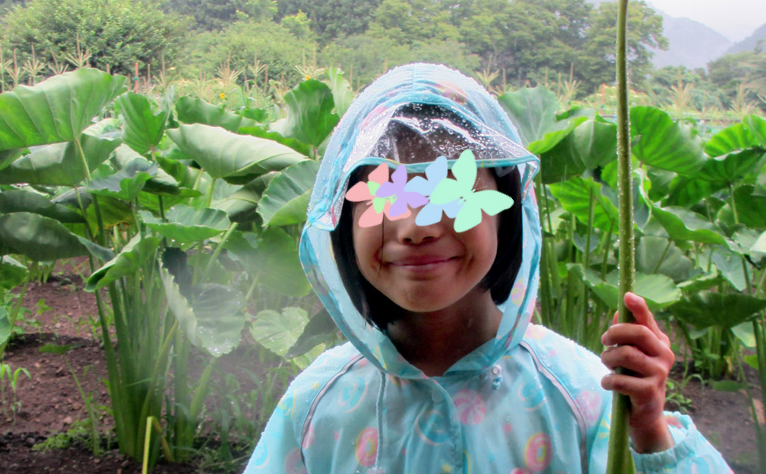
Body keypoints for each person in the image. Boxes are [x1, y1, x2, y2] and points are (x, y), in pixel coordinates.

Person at [244, 63, 730, 474]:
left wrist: (649, 432)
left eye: (451, 190)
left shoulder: (584, 395)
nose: (416, 227)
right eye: (387, 195)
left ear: (509, 208)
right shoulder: (316, 406)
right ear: (343, 221)